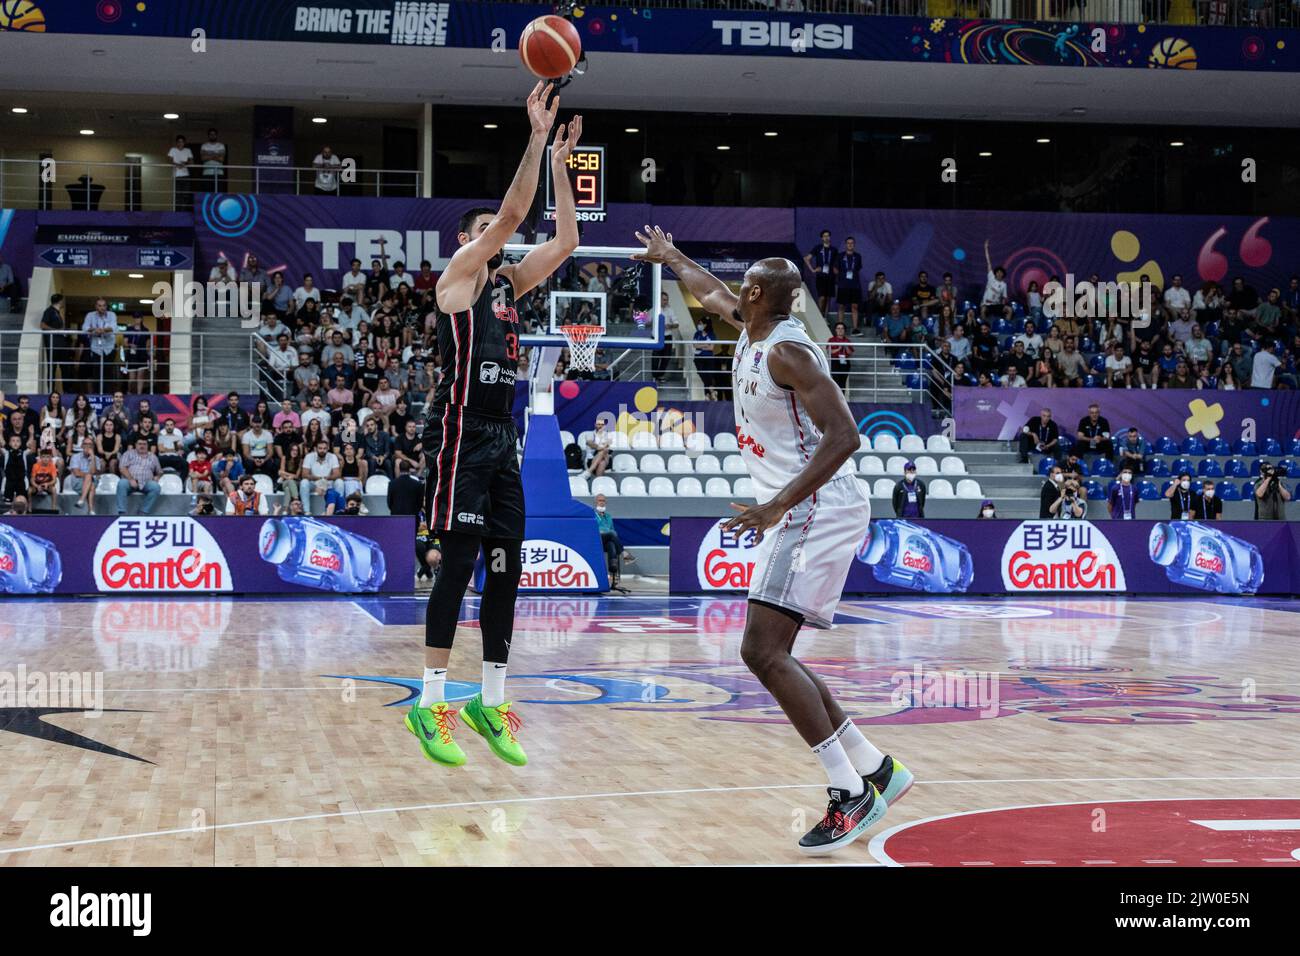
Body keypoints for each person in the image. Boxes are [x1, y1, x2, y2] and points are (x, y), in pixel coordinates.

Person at [634, 224, 910, 856]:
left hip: (813, 508)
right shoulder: (752, 325)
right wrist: (671, 255)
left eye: (744, 286)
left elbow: (847, 437)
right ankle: (876, 770)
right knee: (775, 651)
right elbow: (707, 293)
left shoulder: (791, 353)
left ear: (756, 293)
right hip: (801, 509)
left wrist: (775, 505)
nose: (733, 292)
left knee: (761, 651)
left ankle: (850, 795)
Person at [408, 89, 580, 771]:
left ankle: (492, 699)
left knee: (507, 569)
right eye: (491, 235)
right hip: (458, 432)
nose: (504, 240)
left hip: (501, 439)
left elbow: (564, 240)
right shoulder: (460, 277)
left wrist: (561, 162)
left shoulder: (510, 284)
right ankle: (429, 703)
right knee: (459, 566)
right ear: (468, 242)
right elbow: (513, 214)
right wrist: (535, 137)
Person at [116, 437, 162, 515]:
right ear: (136, 445)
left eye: (144, 444)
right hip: (130, 482)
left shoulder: (153, 457)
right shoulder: (128, 453)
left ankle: (143, 511)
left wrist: (158, 476)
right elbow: (122, 468)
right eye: (140, 444)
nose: (142, 446)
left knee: (156, 487)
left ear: (147, 446)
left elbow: (159, 471)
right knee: (121, 483)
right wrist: (130, 479)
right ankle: (122, 512)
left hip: (146, 483)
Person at [593, 492, 634, 574]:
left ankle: (613, 571)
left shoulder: (608, 516)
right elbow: (595, 529)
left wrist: (606, 531)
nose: (602, 502)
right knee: (611, 535)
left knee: (611, 544)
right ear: (595, 502)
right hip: (596, 539)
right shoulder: (592, 515)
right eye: (600, 500)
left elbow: (613, 530)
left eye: (603, 501)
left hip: (607, 540)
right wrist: (606, 531)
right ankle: (624, 553)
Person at [803, 230, 838, 316]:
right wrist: (813, 270)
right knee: (822, 297)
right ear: (822, 238)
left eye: (828, 236)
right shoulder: (818, 248)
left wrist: (836, 270)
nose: (826, 238)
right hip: (821, 276)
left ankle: (825, 318)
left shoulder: (834, 250)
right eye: (824, 236)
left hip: (831, 276)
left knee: (828, 298)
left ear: (830, 237)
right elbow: (806, 258)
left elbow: (837, 263)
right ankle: (819, 316)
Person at [835, 237, 863, 334]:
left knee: (854, 306)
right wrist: (841, 277)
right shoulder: (840, 256)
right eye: (848, 243)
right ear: (845, 244)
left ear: (854, 245)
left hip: (855, 285)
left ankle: (855, 328)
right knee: (841, 306)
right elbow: (835, 269)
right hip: (843, 285)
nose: (850, 245)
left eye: (852, 243)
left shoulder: (858, 256)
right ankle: (839, 328)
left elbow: (858, 268)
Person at [66, 437, 102, 512]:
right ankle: (91, 509)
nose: (87, 446)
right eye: (85, 444)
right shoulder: (75, 457)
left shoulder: (96, 459)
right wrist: (89, 475)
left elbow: (93, 471)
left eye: (90, 444)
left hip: (92, 481)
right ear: (82, 446)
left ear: (93, 446)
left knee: (90, 481)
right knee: (91, 483)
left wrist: (92, 457)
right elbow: (77, 473)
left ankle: (82, 501)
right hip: (78, 482)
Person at [828, 321, 853, 394]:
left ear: (844, 330)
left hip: (844, 362)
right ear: (835, 330)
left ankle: (842, 399)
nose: (840, 330)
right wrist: (839, 348)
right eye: (838, 328)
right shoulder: (831, 340)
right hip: (835, 362)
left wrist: (846, 347)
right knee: (836, 381)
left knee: (843, 382)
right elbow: (829, 351)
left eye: (842, 328)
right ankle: (836, 398)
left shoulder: (847, 340)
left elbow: (850, 353)